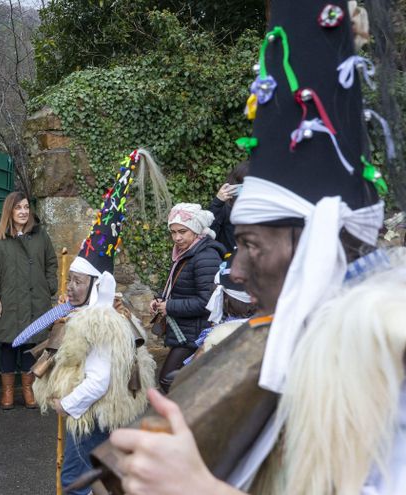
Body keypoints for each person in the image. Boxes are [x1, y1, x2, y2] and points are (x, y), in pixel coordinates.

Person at [108, 1, 396, 492]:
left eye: (250, 245)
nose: (234, 270)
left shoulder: (392, 355)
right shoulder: (288, 344)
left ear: (313, 243)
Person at [27, 173, 157, 493]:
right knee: (100, 476)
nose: (70, 287)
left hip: (90, 414)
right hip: (95, 414)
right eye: (70, 280)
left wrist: (67, 404)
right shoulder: (96, 313)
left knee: (75, 480)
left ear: (96, 286)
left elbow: (99, 379)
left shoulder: (100, 324)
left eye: (78, 282)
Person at [0, 191, 58, 409]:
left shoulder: (40, 236)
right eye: (18, 208)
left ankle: (29, 389)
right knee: (8, 345)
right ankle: (7, 392)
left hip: (35, 300)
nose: (24, 211)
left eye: (26, 207)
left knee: (31, 345)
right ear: (10, 211)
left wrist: (49, 287)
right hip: (9, 300)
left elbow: (51, 263)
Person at [152, 203, 224, 392]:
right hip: (186, 333)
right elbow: (179, 287)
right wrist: (160, 299)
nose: (177, 237)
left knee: (169, 380)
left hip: (196, 335)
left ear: (196, 230)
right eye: (173, 232)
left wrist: (170, 307)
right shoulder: (186, 254)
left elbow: (207, 302)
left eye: (182, 231)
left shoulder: (205, 257)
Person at [209, 161, 249, 254]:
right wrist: (217, 202)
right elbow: (209, 233)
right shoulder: (225, 206)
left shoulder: (262, 206)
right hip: (229, 261)